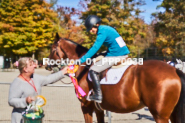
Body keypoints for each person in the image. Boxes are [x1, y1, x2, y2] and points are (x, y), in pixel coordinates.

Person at [78, 15, 130, 103]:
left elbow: (94, 48)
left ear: (96, 25)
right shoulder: (106, 29)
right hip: (118, 52)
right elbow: (114, 45)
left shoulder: (102, 32)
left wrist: (81, 60)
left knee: (93, 70)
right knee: (99, 56)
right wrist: (104, 54)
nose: (91, 31)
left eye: (91, 29)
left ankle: (98, 95)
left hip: (117, 55)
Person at [8, 57, 68, 123]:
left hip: (35, 117)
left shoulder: (35, 77)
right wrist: (25, 100)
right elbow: (11, 101)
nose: (35, 66)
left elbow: (48, 79)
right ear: (25, 69)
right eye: (31, 65)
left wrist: (63, 72)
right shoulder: (17, 83)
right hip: (21, 119)